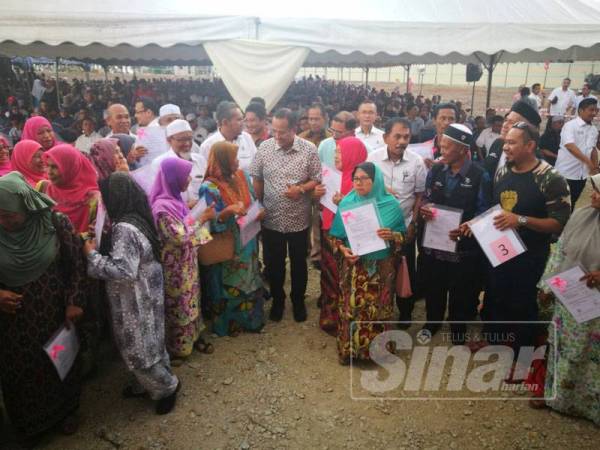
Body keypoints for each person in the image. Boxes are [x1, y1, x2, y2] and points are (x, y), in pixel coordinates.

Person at [0, 172, 86, 444]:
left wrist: (74, 301)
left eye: (8, 215)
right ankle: (29, 426)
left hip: (54, 316)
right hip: (13, 325)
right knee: (20, 372)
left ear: (25, 207)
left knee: (59, 365)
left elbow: (76, 266)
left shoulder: (55, 223)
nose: (3, 222)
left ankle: (66, 412)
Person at [84, 172, 180, 415]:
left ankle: (166, 388)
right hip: (148, 289)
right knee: (152, 339)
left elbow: (123, 270)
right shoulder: (137, 215)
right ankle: (149, 381)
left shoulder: (124, 228)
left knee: (138, 346)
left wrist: (91, 255)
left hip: (134, 296)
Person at [482, 122, 570, 374]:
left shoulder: (550, 178)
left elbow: (560, 223)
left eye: (512, 143)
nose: (505, 147)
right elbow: (496, 211)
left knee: (523, 305)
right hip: (500, 250)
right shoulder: (503, 172)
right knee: (498, 298)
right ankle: (499, 348)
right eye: (505, 142)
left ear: (530, 145)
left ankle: (524, 362)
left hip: (531, 256)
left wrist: (520, 220)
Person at [534, 173, 600, 423]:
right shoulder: (583, 215)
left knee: (592, 358)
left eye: (598, 192)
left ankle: (591, 408)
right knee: (564, 350)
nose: (593, 195)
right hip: (571, 298)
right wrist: (547, 286)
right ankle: (559, 398)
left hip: (597, 309)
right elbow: (560, 251)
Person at [419, 124, 490, 343]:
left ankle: (458, 329)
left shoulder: (480, 175)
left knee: (461, 290)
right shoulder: (437, 170)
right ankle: (432, 323)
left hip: (463, 248)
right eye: (441, 145)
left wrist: (470, 225)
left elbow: (485, 212)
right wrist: (424, 208)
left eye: (447, 147)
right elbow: (427, 197)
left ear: (462, 149)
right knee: (434, 286)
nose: (442, 150)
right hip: (435, 243)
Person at [329, 162, 405, 364]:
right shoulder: (347, 203)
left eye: (364, 179)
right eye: (355, 179)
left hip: (381, 269)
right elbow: (334, 236)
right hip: (355, 267)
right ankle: (349, 351)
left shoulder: (391, 205)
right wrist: (343, 249)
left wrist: (393, 235)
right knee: (351, 307)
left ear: (376, 181)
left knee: (379, 308)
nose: (358, 183)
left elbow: (404, 237)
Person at [250, 108, 321, 322]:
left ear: (294, 129)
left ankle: (297, 301)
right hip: (271, 219)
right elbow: (257, 177)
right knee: (275, 264)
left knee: (299, 263)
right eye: (274, 131)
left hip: (299, 219)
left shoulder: (308, 150)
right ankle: (279, 301)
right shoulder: (265, 147)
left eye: (283, 132)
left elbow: (316, 178)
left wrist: (300, 189)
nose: (277, 136)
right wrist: (259, 204)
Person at [150, 157, 215, 360]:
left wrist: (195, 213)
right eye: (185, 176)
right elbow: (179, 236)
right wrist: (202, 218)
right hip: (175, 268)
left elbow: (184, 223)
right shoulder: (161, 208)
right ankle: (179, 347)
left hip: (185, 263)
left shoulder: (174, 199)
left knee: (190, 300)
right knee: (178, 305)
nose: (188, 180)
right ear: (173, 178)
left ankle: (193, 337)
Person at [199, 142, 266, 337]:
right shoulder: (209, 186)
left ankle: (251, 320)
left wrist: (259, 211)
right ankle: (228, 324)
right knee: (228, 283)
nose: (238, 162)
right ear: (222, 161)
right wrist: (227, 212)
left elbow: (254, 200)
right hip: (228, 243)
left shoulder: (242, 176)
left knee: (250, 278)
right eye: (233, 159)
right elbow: (209, 220)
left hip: (248, 238)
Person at [368, 118, 427, 326]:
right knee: (380, 269)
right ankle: (380, 307)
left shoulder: (416, 162)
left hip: (404, 228)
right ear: (385, 138)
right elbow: (366, 190)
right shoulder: (373, 160)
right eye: (397, 136)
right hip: (379, 228)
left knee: (405, 269)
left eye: (406, 137)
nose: (402, 141)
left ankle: (405, 311)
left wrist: (413, 224)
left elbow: (420, 195)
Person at [313, 137, 367, 334]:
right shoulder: (333, 176)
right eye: (335, 152)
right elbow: (320, 204)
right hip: (329, 231)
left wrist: (343, 203)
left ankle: (346, 320)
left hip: (349, 239)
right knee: (329, 275)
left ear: (352, 155)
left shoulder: (362, 183)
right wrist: (317, 195)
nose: (335, 156)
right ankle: (330, 317)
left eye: (339, 152)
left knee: (345, 278)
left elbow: (364, 214)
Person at [38, 144, 100, 235]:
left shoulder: (92, 199)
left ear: (71, 168)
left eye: (55, 167)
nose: (49, 172)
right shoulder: (43, 188)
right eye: (48, 166)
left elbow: (93, 236)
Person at [554, 98, 599, 207]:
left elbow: (593, 149)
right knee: (558, 204)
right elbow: (570, 146)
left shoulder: (593, 130)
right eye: (591, 110)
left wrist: (595, 167)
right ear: (581, 111)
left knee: (573, 202)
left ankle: (567, 223)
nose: (594, 113)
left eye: (596, 110)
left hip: (581, 176)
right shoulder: (570, 126)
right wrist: (588, 162)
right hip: (565, 173)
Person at [483, 100, 542, 180]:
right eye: (506, 120)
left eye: (511, 122)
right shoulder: (498, 143)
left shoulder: (535, 160)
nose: (504, 125)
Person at [152, 119, 207, 204]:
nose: (187, 143)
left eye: (189, 139)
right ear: (169, 140)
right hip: (176, 214)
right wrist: (186, 206)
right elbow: (157, 196)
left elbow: (207, 185)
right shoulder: (160, 163)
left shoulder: (200, 160)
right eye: (182, 140)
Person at [199, 101, 257, 171]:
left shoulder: (247, 138)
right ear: (225, 122)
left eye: (242, 119)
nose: (243, 122)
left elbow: (257, 167)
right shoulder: (208, 146)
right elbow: (205, 175)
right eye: (239, 119)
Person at [421, 103, 457, 168]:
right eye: (443, 118)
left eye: (451, 119)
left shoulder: (461, 150)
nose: (447, 123)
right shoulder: (424, 148)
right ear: (434, 120)